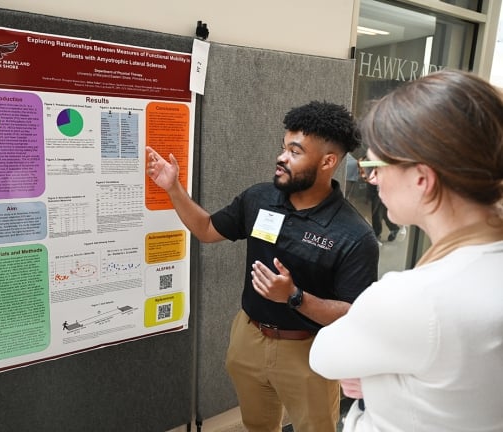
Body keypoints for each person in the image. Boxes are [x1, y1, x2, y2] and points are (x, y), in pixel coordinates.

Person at [146, 101, 379, 432]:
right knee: (257, 426)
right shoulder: (259, 198)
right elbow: (207, 230)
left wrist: (295, 296)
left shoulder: (354, 235)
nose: (282, 157)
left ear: (327, 162)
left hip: (307, 350)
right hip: (249, 337)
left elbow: (356, 315)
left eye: (295, 152)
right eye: (283, 147)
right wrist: (173, 189)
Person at [309, 69, 503, 431]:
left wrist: (377, 380)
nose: (374, 178)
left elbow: (325, 356)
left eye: (377, 165)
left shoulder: (416, 297)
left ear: (422, 179)